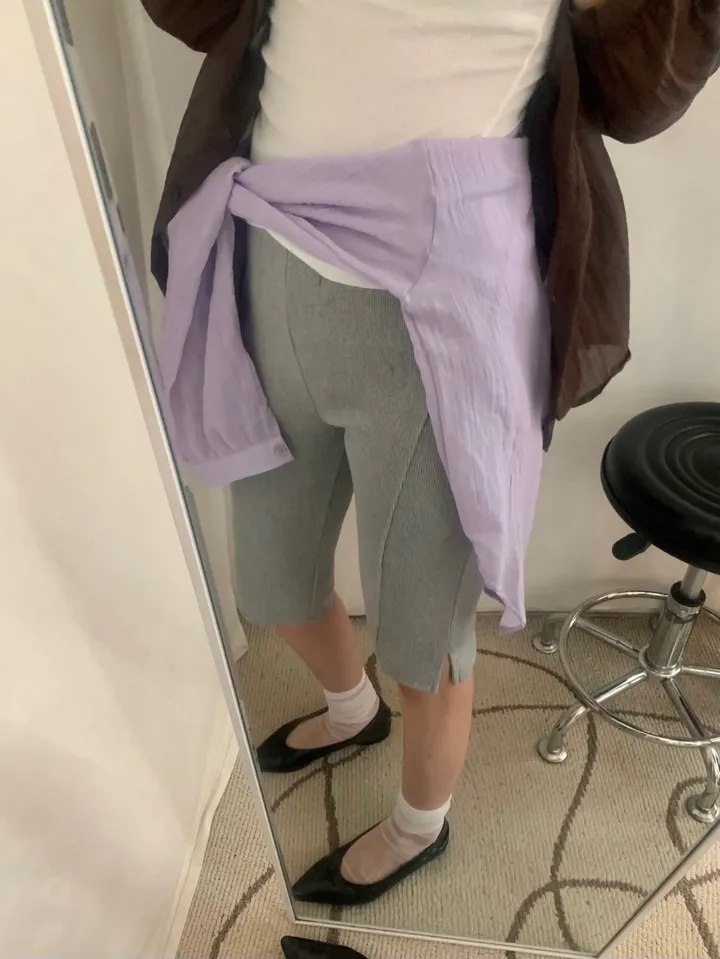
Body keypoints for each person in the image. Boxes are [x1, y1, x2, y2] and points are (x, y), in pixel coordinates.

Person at [140, 0, 720, 905]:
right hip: (271, 258)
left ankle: (420, 824)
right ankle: (351, 708)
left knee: (423, 632)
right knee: (273, 580)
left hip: (442, 306)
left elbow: (641, 87)